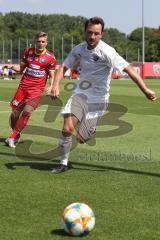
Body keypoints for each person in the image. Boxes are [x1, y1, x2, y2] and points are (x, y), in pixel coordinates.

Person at [50, 17, 156, 174]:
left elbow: (129, 69)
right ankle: (63, 164)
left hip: (98, 99)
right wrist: (55, 85)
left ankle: (88, 130)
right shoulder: (79, 49)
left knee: (81, 138)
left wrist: (145, 89)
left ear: (102, 34)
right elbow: (64, 66)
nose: (92, 37)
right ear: (85, 32)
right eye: (89, 32)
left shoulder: (108, 52)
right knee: (66, 129)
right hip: (80, 94)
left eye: (96, 33)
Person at [5, 31, 57, 148]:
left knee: (27, 111)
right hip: (23, 88)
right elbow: (21, 69)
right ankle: (16, 135)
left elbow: (52, 75)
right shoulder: (28, 52)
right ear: (35, 42)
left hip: (36, 90)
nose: (40, 43)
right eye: (38, 41)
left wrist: (51, 86)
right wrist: (12, 67)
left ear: (46, 43)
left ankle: (12, 137)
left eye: (43, 41)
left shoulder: (50, 58)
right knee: (14, 114)